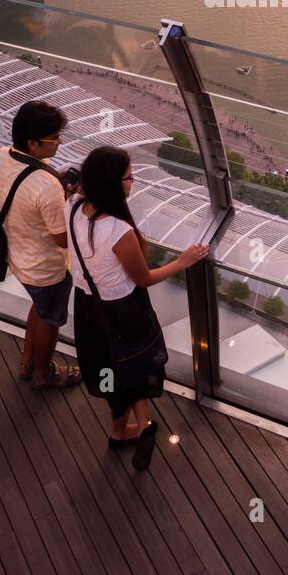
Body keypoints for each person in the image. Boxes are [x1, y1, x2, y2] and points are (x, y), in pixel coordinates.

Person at [66, 145, 208, 469]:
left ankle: (133, 430)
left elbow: (63, 240)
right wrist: (181, 262)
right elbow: (143, 278)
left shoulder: (72, 206)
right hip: (124, 310)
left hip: (88, 308)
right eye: (130, 176)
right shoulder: (119, 230)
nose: (133, 182)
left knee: (113, 366)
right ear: (114, 183)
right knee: (135, 362)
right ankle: (129, 431)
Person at [0, 100, 81, 390]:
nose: (59, 141)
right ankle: (44, 373)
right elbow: (62, 239)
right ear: (33, 142)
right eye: (54, 138)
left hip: (18, 257)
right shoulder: (47, 186)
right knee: (50, 321)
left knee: (39, 309)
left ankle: (28, 362)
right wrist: (69, 199)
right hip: (46, 268)